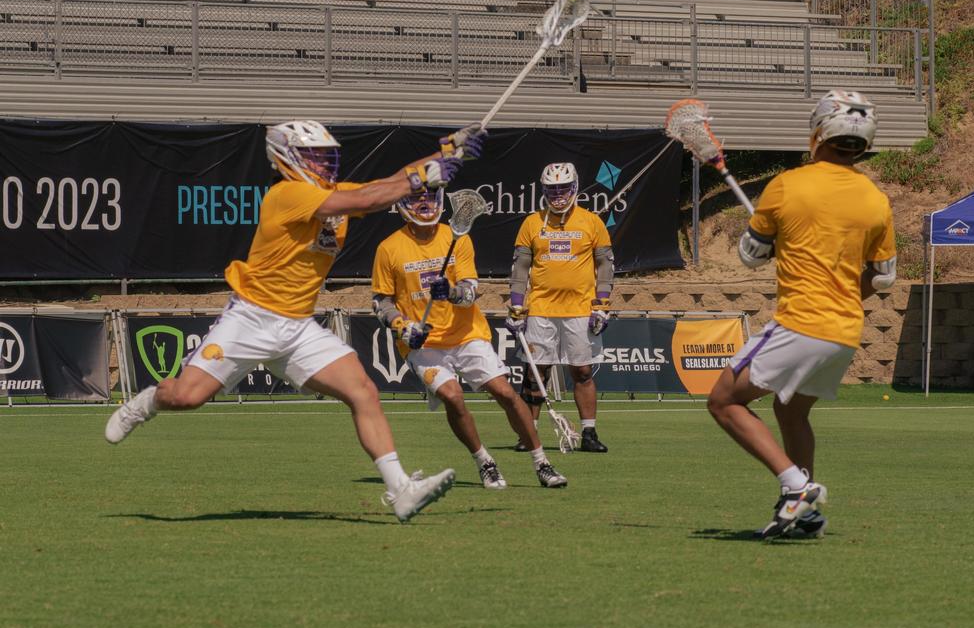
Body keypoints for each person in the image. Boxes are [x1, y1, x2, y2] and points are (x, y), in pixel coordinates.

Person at [105, 120, 486, 523]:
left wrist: (446, 151)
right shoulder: (287, 194)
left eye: (327, 157)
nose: (325, 165)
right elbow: (371, 199)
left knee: (363, 392)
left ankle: (401, 490)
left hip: (299, 326)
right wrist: (424, 175)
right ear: (286, 158)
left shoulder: (329, 192)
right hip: (251, 319)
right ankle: (146, 402)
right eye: (315, 157)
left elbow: (386, 183)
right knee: (185, 397)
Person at [706, 90, 896, 540]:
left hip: (801, 322)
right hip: (845, 331)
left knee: (723, 401)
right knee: (789, 411)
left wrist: (776, 243)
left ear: (819, 132)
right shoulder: (876, 199)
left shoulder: (788, 185)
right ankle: (803, 513)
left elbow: (751, 256)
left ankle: (797, 488)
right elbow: (883, 277)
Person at [371, 187, 568, 489]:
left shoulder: (458, 238)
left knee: (504, 392)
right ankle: (485, 462)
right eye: (416, 197)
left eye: (429, 196)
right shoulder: (388, 247)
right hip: (424, 344)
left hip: (466, 334)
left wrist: (450, 292)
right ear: (402, 204)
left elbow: (470, 290)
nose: (424, 203)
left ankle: (541, 462)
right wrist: (402, 326)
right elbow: (381, 301)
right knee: (452, 396)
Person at [506, 162, 615, 453]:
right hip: (541, 309)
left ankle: (589, 433)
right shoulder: (531, 223)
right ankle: (529, 434)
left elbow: (605, 265)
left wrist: (602, 304)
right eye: (552, 189)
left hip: (580, 310)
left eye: (563, 188)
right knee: (534, 374)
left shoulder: (591, 222)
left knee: (582, 372)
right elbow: (520, 270)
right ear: (543, 191)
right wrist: (517, 308)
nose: (558, 195)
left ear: (574, 188)